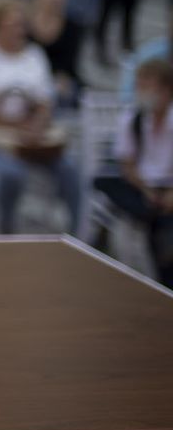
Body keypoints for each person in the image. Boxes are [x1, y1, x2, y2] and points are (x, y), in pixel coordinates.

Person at [0, 0, 82, 234]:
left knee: (70, 169)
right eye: (11, 25)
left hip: (30, 139)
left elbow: (45, 103)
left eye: (21, 25)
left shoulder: (35, 56)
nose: (18, 30)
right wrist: (16, 125)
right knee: (11, 175)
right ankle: (5, 233)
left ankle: (75, 234)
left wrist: (37, 126)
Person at [93, 58, 173, 285]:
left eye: (147, 86)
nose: (141, 92)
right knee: (104, 182)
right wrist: (146, 191)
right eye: (139, 85)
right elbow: (127, 164)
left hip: (168, 187)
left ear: (166, 90)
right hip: (143, 189)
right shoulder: (132, 119)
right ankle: (150, 213)